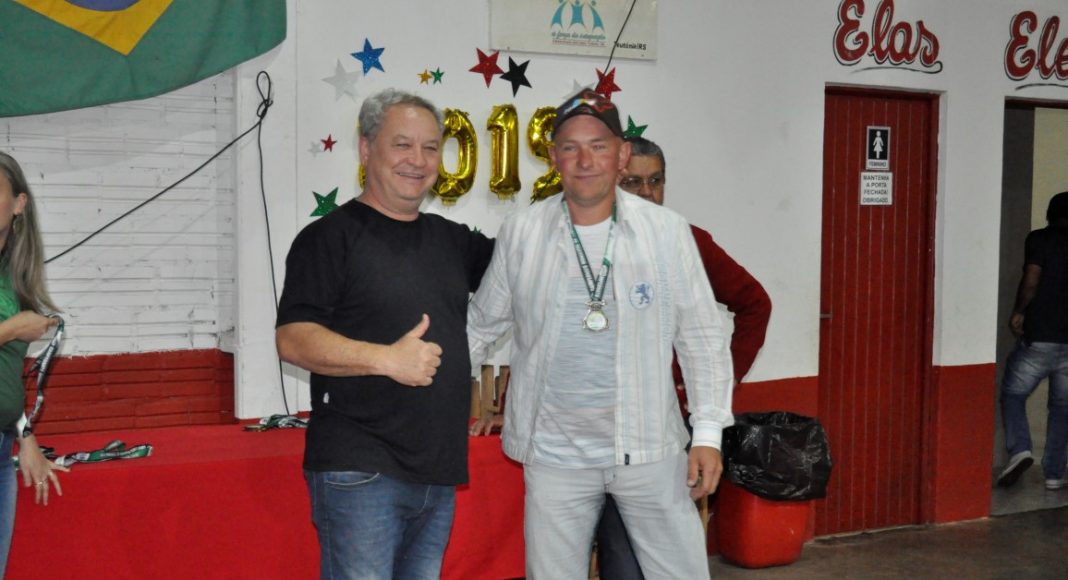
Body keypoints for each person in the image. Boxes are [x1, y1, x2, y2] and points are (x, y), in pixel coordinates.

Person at [470, 136, 773, 579]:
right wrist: (514, 406)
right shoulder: (546, 235)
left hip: (653, 437)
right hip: (566, 445)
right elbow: (535, 332)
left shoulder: (680, 237)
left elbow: (733, 317)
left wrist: (702, 403)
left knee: (635, 565)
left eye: (656, 181)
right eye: (634, 182)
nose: (646, 192)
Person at [275, 89, 494, 579]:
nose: (418, 160)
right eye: (402, 145)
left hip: (437, 472)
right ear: (366, 148)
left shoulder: (453, 241)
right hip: (360, 471)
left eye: (430, 147)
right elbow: (292, 338)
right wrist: (386, 359)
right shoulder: (327, 238)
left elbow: (527, 261)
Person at [0, 152, 68, 576]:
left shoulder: (14, 274)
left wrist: (25, 435)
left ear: (19, 203)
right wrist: (11, 329)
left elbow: (6, 374)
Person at [996, 191, 1068, 491]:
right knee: (1062, 408)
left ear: (1050, 214)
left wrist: (1019, 311)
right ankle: (1054, 475)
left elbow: (1031, 280)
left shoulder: (1040, 239)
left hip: (1040, 337)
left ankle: (1020, 450)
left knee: (1013, 394)